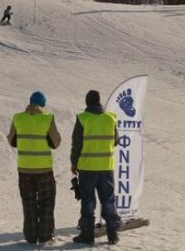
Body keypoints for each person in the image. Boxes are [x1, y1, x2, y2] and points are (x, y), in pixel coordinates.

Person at [7, 91, 61, 245]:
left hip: (24, 169)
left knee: (28, 202)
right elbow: (55, 143)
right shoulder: (47, 118)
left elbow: (11, 140)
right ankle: (45, 236)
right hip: (43, 169)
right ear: (42, 104)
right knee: (47, 201)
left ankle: (31, 236)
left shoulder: (18, 118)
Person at [70, 90, 121, 245]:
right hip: (106, 167)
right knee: (108, 200)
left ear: (87, 102)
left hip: (87, 167)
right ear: (99, 101)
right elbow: (116, 141)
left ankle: (87, 234)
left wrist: (74, 163)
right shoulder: (110, 118)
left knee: (88, 201)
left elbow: (77, 144)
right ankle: (112, 233)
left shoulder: (82, 118)